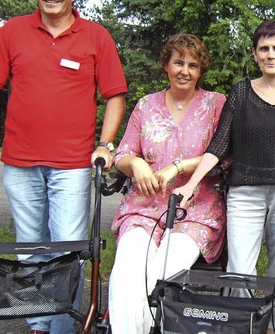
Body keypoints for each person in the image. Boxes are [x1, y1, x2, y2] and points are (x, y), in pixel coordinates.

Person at [0, 0, 128, 333]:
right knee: (30, 250)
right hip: (20, 162)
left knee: (66, 251)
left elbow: (115, 95)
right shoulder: (13, 32)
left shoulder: (95, 36)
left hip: (71, 163)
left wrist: (106, 143)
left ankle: (63, 327)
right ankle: (40, 324)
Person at [173, 20, 275, 333]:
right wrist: (190, 183)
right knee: (240, 269)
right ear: (254, 54)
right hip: (245, 193)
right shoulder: (240, 94)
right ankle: (243, 325)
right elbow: (218, 146)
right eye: (264, 48)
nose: (271, 54)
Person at [108, 34, 226, 334]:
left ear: (201, 71)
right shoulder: (146, 105)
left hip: (194, 210)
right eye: (178, 62)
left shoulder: (215, 105)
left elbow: (227, 155)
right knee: (128, 268)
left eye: (193, 64)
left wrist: (178, 167)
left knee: (161, 270)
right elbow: (122, 153)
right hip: (144, 207)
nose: (185, 70)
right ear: (166, 66)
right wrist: (136, 164)